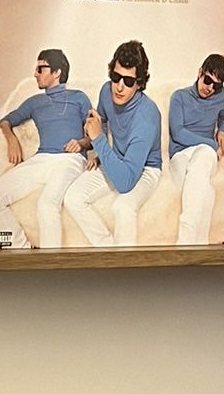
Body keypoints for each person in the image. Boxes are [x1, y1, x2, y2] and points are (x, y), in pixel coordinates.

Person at [0, 47, 92, 249]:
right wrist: (11, 139)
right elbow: (5, 121)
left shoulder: (79, 97)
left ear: (57, 72)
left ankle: (52, 262)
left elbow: (95, 134)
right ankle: (23, 248)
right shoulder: (34, 102)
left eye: (40, 69)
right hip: (41, 160)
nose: (35, 74)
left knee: (47, 204)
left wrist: (81, 143)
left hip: (70, 159)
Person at [61, 40, 164, 246]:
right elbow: (102, 121)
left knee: (122, 207)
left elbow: (125, 183)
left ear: (139, 83)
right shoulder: (106, 91)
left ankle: (125, 262)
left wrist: (100, 142)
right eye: (116, 77)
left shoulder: (147, 117)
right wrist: (94, 148)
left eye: (128, 81)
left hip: (145, 168)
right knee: (72, 197)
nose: (119, 87)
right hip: (117, 156)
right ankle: (108, 249)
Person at [165, 53, 224, 244]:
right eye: (208, 80)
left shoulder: (223, 97)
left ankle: (185, 242)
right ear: (200, 72)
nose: (210, 88)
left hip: (205, 156)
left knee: (203, 158)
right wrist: (211, 144)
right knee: (206, 192)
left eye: (216, 86)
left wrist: (223, 130)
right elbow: (178, 133)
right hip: (181, 155)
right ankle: (200, 244)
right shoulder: (179, 97)